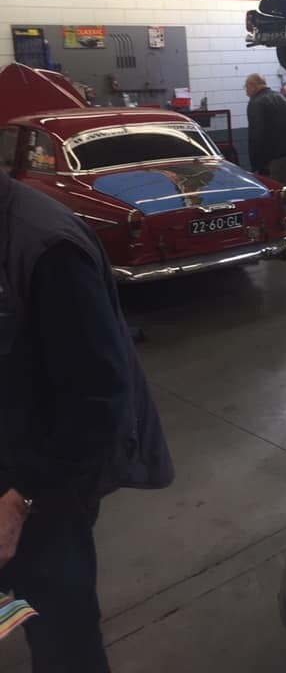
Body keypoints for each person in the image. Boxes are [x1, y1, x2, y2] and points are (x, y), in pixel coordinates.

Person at [0, 170, 174, 672]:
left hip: (43, 492)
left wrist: (20, 501)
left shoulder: (47, 247)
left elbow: (97, 402)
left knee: (62, 641)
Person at [245, 74, 286, 187]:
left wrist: (256, 164)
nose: (246, 92)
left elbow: (256, 134)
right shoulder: (284, 98)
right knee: (285, 191)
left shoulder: (256, 103)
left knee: (271, 192)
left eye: (246, 87)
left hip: (269, 161)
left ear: (253, 85)